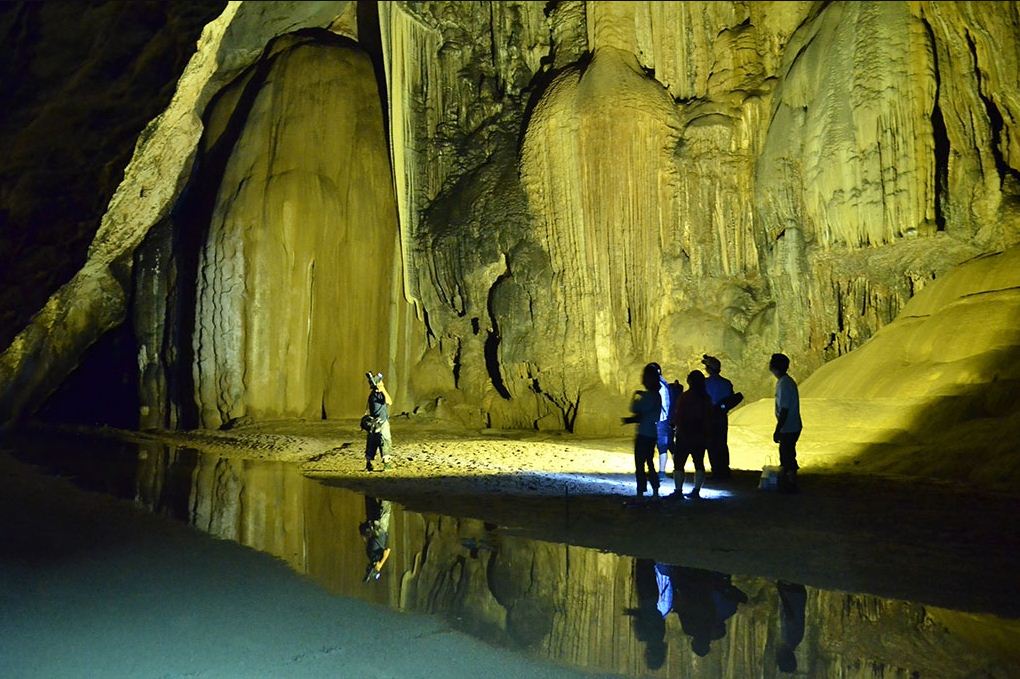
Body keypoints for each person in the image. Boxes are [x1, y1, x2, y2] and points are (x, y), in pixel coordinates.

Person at [622, 363, 662, 499]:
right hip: (652, 434)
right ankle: (655, 492)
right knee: (650, 463)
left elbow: (634, 408)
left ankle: (641, 494)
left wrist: (635, 395)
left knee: (640, 465)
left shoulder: (649, 396)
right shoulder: (656, 395)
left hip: (644, 434)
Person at [671, 370, 712, 498]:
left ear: (690, 381)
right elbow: (708, 417)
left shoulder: (685, 397)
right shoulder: (706, 398)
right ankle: (696, 490)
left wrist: (675, 426)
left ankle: (678, 491)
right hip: (700, 435)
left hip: (684, 434)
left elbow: (679, 415)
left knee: (679, 463)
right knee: (699, 463)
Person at [769, 353, 802, 493]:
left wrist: (778, 429)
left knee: (786, 455)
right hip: (792, 425)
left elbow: (784, 409)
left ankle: (789, 483)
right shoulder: (786, 381)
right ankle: (789, 482)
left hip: (789, 426)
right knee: (788, 453)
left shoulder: (784, 384)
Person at [702, 354, 733, 479]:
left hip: (709, 417)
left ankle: (716, 470)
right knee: (722, 443)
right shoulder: (726, 383)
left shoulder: (705, 383)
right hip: (721, 417)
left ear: (709, 369)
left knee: (711, 444)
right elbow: (731, 399)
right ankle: (724, 469)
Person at [649, 363, 674, 481]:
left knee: (662, 445)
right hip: (664, 419)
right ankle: (666, 471)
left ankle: (661, 472)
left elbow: (659, 404)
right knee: (665, 445)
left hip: (660, 420)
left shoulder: (659, 385)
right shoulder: (663, 383)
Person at [364, 373, 393, 472]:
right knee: (385, 441)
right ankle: (386, 465)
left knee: (371, 442)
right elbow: (389, 401)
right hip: (382, 422)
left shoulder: (371, 395)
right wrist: (383, 389)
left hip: (373, 423)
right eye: (381, 381)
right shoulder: (378, 395)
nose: (383, 383)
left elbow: (367, 409)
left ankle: (369, 463)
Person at [360, 496, 392, 582]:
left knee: (380, 498)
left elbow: (387, 551)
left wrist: (380, 564)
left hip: (379, 525)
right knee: (375, 498)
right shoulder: (371, 554)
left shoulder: (372, 555)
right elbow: (387, 550)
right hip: (376, 523)